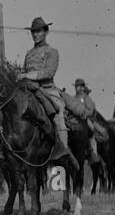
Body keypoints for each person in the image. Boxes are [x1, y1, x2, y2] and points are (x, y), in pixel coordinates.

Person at [19, 16, 77, 170]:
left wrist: (26, 76)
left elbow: (49, 72)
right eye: (33, 32)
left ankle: (62, 150)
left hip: (47, 90)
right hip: (29, 90)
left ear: (46, 32)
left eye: (38, 31)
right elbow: (25, 71)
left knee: (59, 114)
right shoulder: (28, 53)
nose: (35, 34)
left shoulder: (52, 52)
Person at [72, 78, 104, 166]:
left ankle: (93, 152)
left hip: (85, 119)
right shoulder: (73, 98)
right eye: (76, 86)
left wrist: (83, 113)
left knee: (91, 130)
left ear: (83, 87)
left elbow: (90, 110)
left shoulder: (87, 98)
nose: (77, 88)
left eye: (79, 86)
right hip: (74, 119)